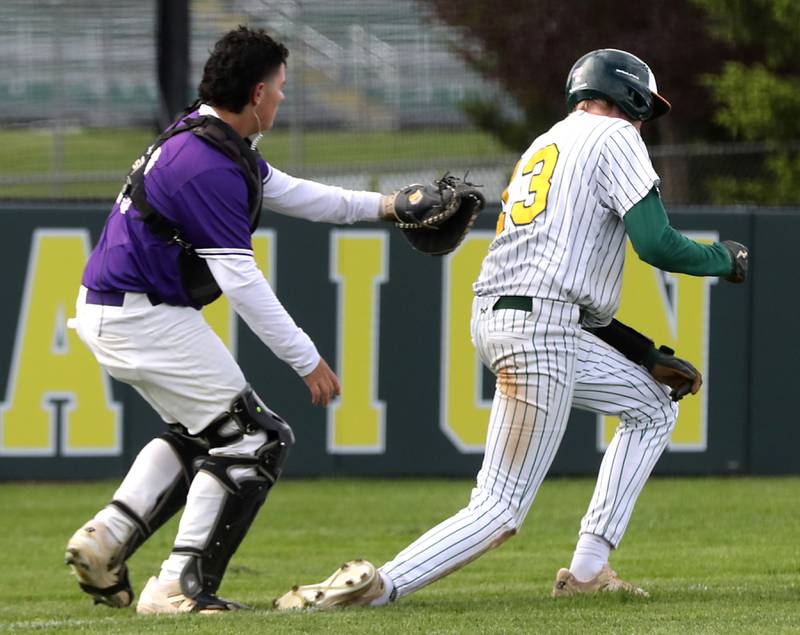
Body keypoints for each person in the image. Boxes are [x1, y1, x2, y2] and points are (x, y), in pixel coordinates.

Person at [273, 48, 749, 610]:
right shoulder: (617, 137)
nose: (646, 119)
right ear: (631, 97)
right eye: (645, 107)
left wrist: (644, 354)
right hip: (540, 328)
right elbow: (654, 243)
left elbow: (573, 295)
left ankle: (589, 571)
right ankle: (379, 587)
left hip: (511, 316)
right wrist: (724, 259)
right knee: (499, 508)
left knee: (653, 407)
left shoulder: (545, 143)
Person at [64, 26, 431, 614]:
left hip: (121, 308)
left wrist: (385, 206)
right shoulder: (205, 164)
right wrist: (306, 359)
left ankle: (108, 537)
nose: (284, 99)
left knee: (204, 434)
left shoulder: (204, 137)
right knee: (256, 440)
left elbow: (299, 194)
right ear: (258, 92)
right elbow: (241, 281)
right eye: (281, 88)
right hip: (140, 314)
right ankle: (176, 584)